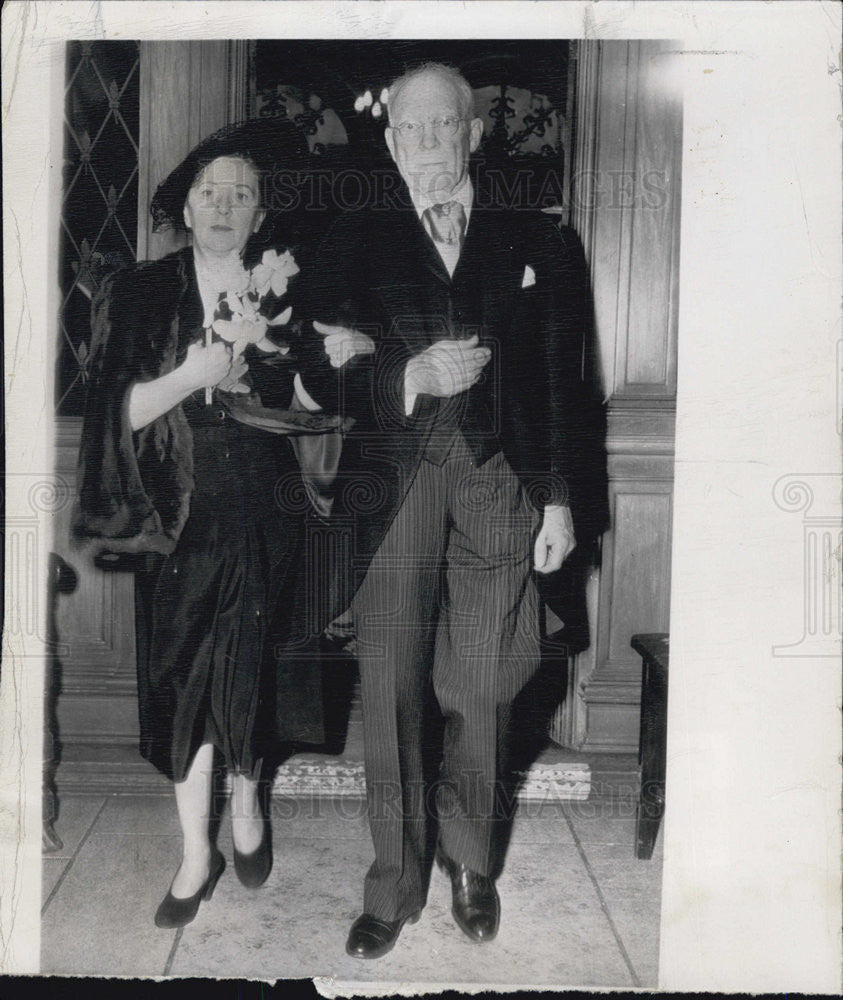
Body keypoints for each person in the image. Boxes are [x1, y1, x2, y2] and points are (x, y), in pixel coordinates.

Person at [298, 62, 607, 958]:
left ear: (473, 135)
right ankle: (394, 882)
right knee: (390, 687)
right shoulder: (351, 236)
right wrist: (404, 373)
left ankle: (469, 860)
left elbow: (564, 382)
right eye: (411, 129)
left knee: (480, 682)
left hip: (500, 479)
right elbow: (314, 365)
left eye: (445, 127)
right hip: (392, 485)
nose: (428, 142)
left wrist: (558, 501)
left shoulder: (536, 240)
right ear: (389, 143)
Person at [72, 118, 341, 929]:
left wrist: (327, 366)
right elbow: (112, 411)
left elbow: (315, 412)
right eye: (208, 192)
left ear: (261, 215)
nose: (224, 205)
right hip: (177, 516)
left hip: (267, 509)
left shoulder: (291, 291)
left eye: (241, 194)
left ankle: (251, 804)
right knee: (183, 680)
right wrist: (193, 374)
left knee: (255, 671)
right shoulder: (141, 290)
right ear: (183, 207)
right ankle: (197, 852)